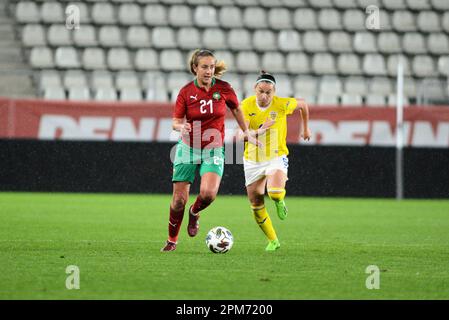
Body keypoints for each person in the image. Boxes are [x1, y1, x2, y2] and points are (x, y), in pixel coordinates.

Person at [161, 49, 258, 252]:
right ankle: (172, 240)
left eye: (212, 67)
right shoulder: (186, 92)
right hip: (188, 147)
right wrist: (181, 127)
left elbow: (237, 109)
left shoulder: (224, 88)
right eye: (204, 67)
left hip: (213, 148)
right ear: (195, 68)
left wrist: (246, 131)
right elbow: (175, 122)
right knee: (178, 200)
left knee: (208, 194)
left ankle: (195, 212)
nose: (208, 71)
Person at [239, 71, 311, 251]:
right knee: (256, 204)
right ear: (255, 89)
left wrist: (305, 129)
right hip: (252, 160)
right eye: (261, 91)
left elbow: (302, 105)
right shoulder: (246, 105)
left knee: (276, 193)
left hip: (276, 156)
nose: (264, 96)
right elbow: (242, 136)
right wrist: (261, 131)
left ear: (274, 91)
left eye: (268, 92)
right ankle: (273, 240)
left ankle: (280, 202)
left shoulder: (281, 104)